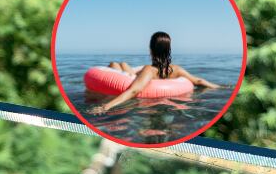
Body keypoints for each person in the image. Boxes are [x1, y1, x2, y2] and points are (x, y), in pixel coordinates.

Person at [90, 32, 221, 115]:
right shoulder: (176, 69)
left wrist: (106, 106)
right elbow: (198, 81)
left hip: (139, 91)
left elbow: (134, 90)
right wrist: (220, 87)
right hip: (160, 92)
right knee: (123, 64)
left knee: (115, 64)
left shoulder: (150, 70)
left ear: (151, 49)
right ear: (168, 50)